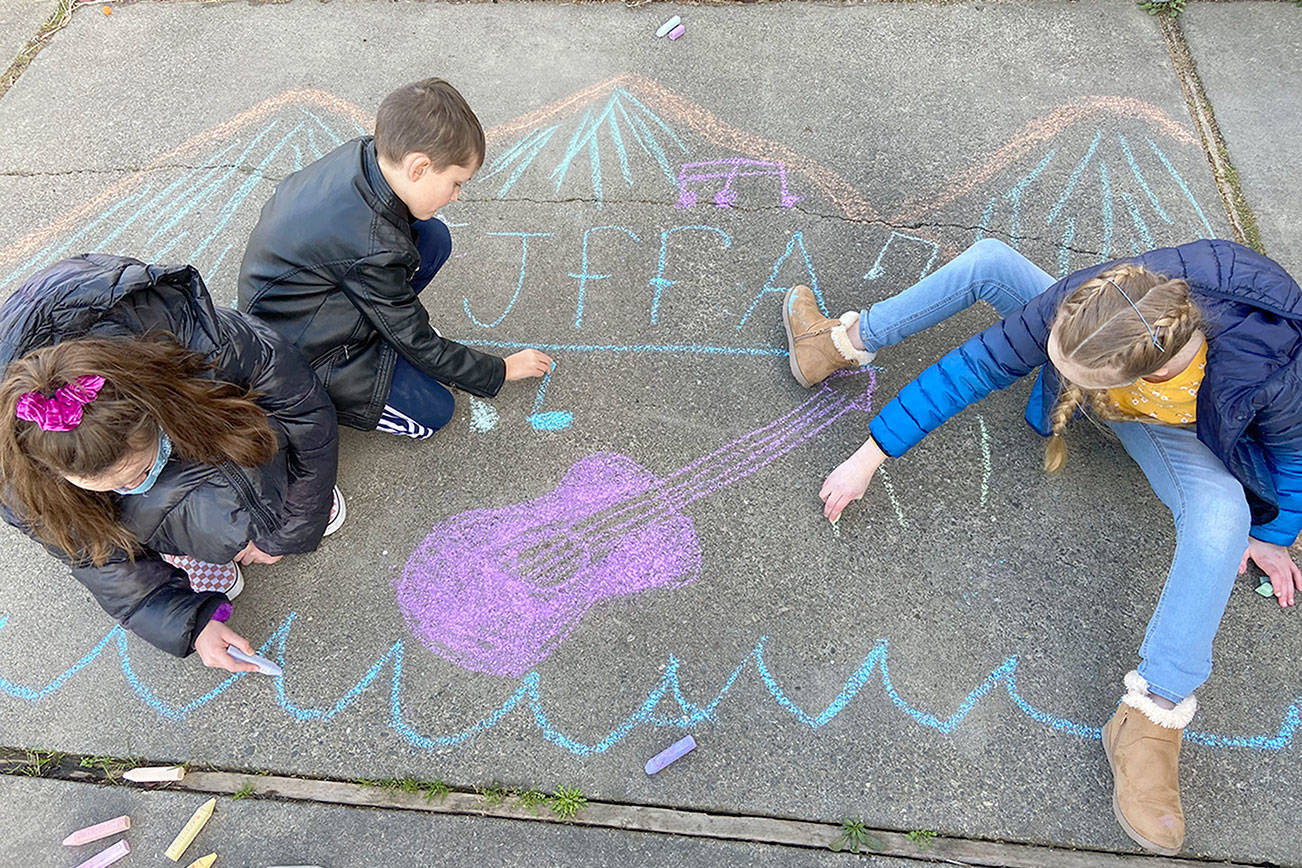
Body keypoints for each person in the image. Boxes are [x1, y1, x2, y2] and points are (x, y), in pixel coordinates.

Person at [781, 237, 1302, 856]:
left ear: (1146, 372)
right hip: (1118, 369)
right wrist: (870, 456)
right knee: (991, 262)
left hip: (1174, 426)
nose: (1050, 368)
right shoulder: (1099, 301)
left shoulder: (1273, 372)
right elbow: (975, 366)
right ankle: (833, 344)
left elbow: (1295, 454)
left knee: (1222, 516)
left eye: (1069, 376)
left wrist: (1273, 536)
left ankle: (1151, 718)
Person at [0, 254, 342, 673]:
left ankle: (269, 498)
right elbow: (96, 558)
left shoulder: (195, 341)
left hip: (179, 389)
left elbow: (301, 408)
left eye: (139, 471)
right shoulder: (20, 481)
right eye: (111, 487)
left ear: (155, 409)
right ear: (52, 471)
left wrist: (296, 522)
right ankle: (186, 547)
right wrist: (192, 622)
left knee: (240, 476)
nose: (130, 487)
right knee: (166, 515)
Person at [238, 77, 552, 440]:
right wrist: (500, 370)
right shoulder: (374, 247)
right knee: (434, 412)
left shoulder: (365, 155)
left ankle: (383, 327)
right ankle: (312, 396)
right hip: (298, 348)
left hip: (301, 298)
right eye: (456, 183)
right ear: (418, 168)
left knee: (432, 238)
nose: (457, 196)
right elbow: (416, 339)